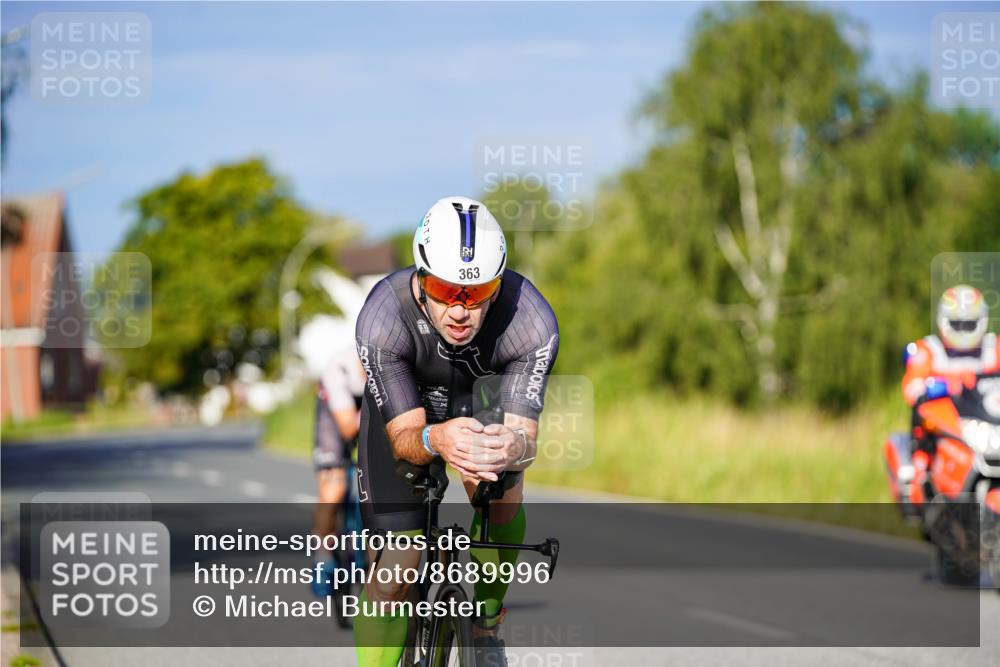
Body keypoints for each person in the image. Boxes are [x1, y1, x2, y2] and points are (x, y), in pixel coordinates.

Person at [352, 196, 559, 667]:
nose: (460, 309)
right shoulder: (383, 317)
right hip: (407, 410)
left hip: (482, 398)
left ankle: (486, 629)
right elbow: (405, 440)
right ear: (421, 280)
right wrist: (435, 439)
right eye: (446, 290)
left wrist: (515, 447)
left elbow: (525, 439)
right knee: (398, 567)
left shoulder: (531, 322)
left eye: (477, 292)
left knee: (504, 494)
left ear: (497, 285)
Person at [896, 284, 999, 504]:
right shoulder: (928, 349)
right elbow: (912, 387)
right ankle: (919, 469)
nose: (963, 330)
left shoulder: (994, 347)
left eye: (969, 324)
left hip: (986, 418)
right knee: (924, 413)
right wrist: (932, 387)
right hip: (947, 423)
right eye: (958, 324)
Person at [309, 347, 366, 598]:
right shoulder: (339, 368)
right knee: (334, 488)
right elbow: (346, 428)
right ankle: (323, 559)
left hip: (366, 410)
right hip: (334, 416)